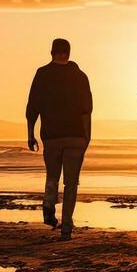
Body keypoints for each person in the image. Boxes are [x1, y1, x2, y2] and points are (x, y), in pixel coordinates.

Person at [26, 37, 93, 240]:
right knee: (71, 183)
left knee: (52, 176)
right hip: (75, 136)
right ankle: (66, 226)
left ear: (51, 52)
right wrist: (87, 137)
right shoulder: (80, 76)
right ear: (69, 53)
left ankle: (48, 205)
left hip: (52, 135)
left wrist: (30, 133)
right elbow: (87, 110)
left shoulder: (42, 74)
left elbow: (32, 107)